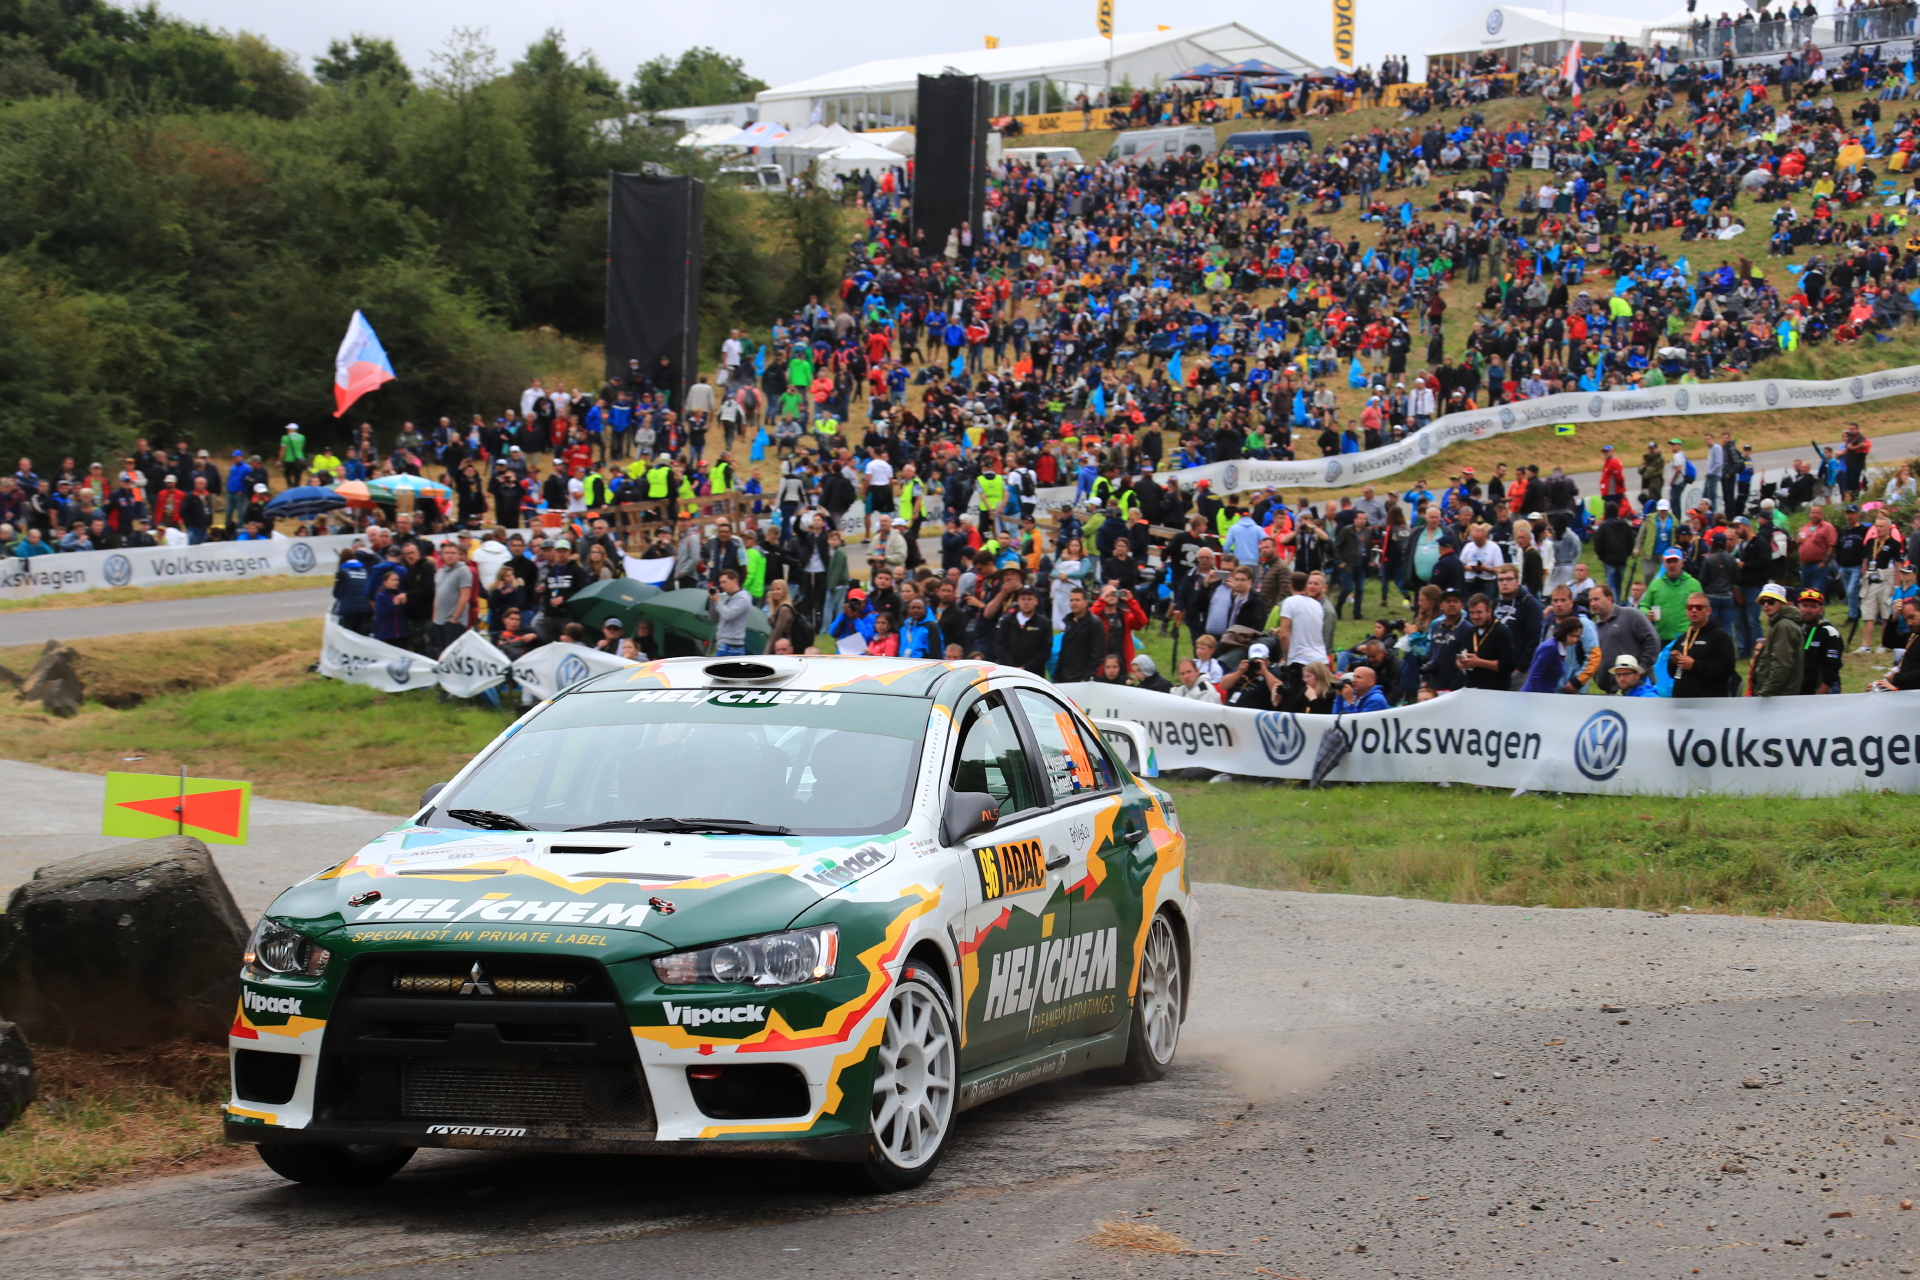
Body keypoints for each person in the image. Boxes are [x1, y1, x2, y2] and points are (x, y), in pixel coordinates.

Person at [1668, 593, 1738, 697]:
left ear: (1708, 611)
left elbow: (1727, 668)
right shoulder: (1684, 637)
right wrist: (1674, 662)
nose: (1694, 610)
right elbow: (1672, 673)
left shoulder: (1720, 636)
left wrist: (1695, 665)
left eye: (1699, 607)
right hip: (1681, 699)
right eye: (1690, 607)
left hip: (1708, 700)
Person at [1749, 583, 1804, 697]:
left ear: (1782, 603)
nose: (1766, 605)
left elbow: (1782, 663)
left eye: (1771, 601)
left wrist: (1766, 691)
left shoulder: (1784, 626)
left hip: (1779, 696)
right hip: (1779, 695)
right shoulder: (1780, 624)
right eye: (1762, 602)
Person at [1453, 593, 1518, 690]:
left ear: (1489, 611)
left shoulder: (1502, 633)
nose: (1475, 617)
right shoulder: (1470, 632)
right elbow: (1460, 653)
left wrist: (1479, 662)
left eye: (1479, 612)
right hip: (1472, 688)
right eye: (1472, 613)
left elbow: (1508, 666)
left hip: (1494, 691)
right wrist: (1461, 662)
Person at [995, 585, 1051, 676]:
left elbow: (1045, 650)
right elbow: (1000, 646)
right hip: (1009, 672)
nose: (1026, 602)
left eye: (1029, 599)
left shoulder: (1044, 623)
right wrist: (1012, 667)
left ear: (1036, 601)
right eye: (1023, 599)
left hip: (1034, 674)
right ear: (1018, 601)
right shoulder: (1007, 622)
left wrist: (1026, 668)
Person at [1797, 589, 1843, 695]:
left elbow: (1832, 668)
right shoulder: (1798, 630)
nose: (1808, 610)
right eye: (1805, 606)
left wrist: (1820, 695)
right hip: (1802, 688)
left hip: (1824, 689)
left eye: (1814, 606)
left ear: (1821, 610)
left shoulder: (1829, 632)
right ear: (1799, 607)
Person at [1522, 617, 1586, 692]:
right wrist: (1537, 696)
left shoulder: (1560, 648)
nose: (1575, 640)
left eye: (1577, 636)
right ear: (1564, 633)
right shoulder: (1551, 648)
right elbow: (1535, 674)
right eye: (1571, 635)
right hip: (1536, 693)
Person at [1054, 586, 1104, 683]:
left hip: (1082, 676)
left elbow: (1097, 653)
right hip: (1065, 675)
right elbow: (1063, 652)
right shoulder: (1068, 622)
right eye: (1071, 600)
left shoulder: (1094, 623)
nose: (1074, 603)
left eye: (1077, 600)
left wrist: (1086, 677)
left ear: (1085, 602)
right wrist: (1057, 676)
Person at [1218, 640, 1282, 710]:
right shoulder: (1243, 668)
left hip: (1252, 713)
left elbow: (1279, 691)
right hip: (1230, 710)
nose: (1256, 662)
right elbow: (1223, 685)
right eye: (1253, 659)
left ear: (1267, 660)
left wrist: (1265, 672)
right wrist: (1239, 672)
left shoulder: (1273, 671)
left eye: (1260, 659)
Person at [707, 567, 752, 656]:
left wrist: (717, 601)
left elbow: (728, 615)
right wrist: (712, 601)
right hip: (722, 642)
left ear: (735, 581)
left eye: (724, 582)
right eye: (720, 583)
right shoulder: (727, 597)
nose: (722, 585)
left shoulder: (743, 599)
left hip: (732, 646)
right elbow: (714, 618)